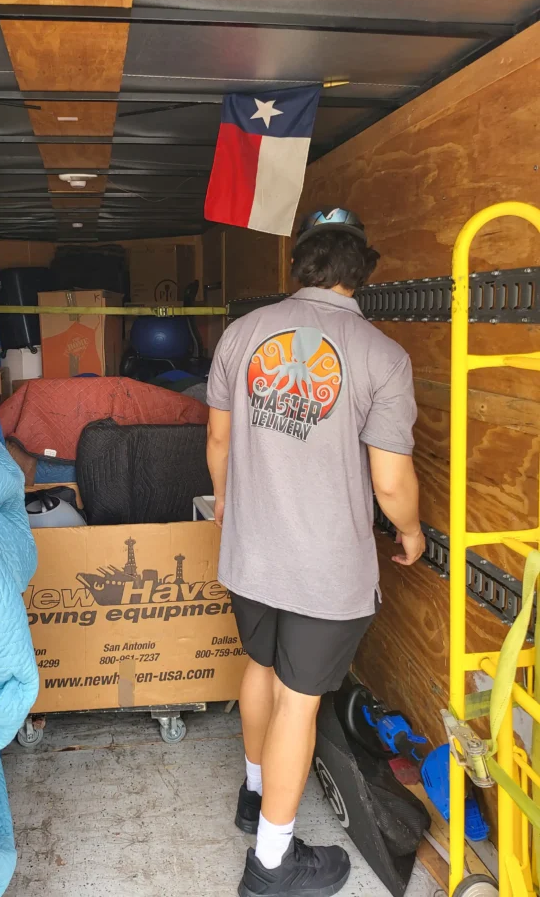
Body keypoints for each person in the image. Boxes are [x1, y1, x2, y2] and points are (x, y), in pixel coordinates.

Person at [206, 208, 424, 897]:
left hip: (250, 553)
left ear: (298, 266)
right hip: (322, 568)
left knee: (260, 669)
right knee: (300, 702)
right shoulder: (382, 356)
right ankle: (272, 864)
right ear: (362, 272)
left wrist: (233, 516)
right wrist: (413, 533)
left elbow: (217, 446)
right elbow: (390, 482)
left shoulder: (240, 335)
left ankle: (254, 795)